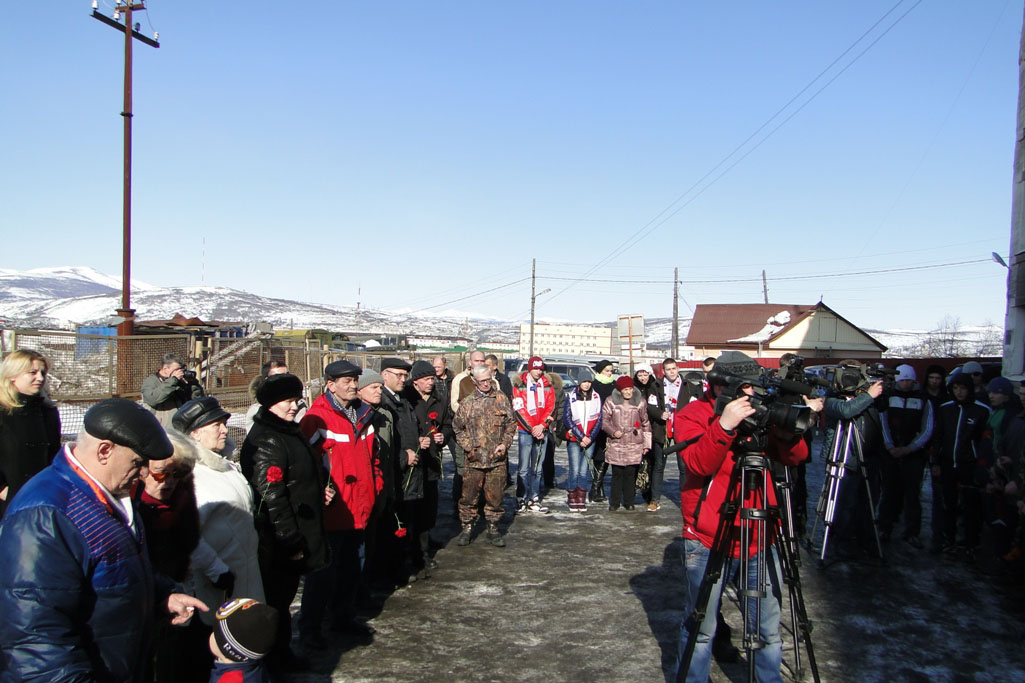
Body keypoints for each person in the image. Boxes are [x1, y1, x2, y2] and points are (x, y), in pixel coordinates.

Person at [0, 398, 207, 681]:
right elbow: (36, 637)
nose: (144, 473)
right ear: (105, 450)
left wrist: (160, 594)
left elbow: (113, 564)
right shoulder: (46, 513)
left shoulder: (109, 495)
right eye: (138, 462)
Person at [672, 353, 809, 682]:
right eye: (744, 387)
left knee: (766, 629)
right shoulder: (694, 413)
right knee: (701, 628)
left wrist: (788, 431)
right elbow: (698, 465)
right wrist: (723, 427)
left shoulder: (760, 409)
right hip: (708, 536)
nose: (751, 394)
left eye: (754, 386)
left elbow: (796, 458)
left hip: (760, 533)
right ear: (721, 386)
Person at [240, 373, 330, 673]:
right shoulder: (267, 439)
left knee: (284, 596)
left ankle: (281, 654)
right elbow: (272, 496)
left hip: (299, 526)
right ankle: (275, 660)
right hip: (281, 538)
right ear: (271, 404)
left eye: (296, 400)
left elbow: (298, 475)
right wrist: (289, 540)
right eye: (288, 402)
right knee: (277, 600)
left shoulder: (286, 431)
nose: (294, 407)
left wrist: (319, 490)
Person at [298, 360, 380, 646]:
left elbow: (374, 459)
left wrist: (375, 485)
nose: (353, 385)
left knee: (352, 569)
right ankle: (310, 629)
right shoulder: (316, 418)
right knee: (323, 574)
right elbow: (301, 463)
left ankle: (343, 617)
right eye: (346, 381)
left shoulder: (364, 414)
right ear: (330, 385)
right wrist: (319, 488)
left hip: (360, 507)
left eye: (355, 379)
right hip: (334, 511)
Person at [173, 397, 265, 627]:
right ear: (195, 433)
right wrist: (217, 571)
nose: (225, 430)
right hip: (219, 584)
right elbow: (188, 537)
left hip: (244, 571)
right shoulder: (194, 476)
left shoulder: (225, 465)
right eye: (216, 425)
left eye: (224, 423)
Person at [134, 430, 211, 682]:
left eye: (177, 474)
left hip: (177, 591)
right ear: (143, 470)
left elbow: (190, 543)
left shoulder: (181, 499)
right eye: (160, 474)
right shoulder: (130, 506)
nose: (168, 482)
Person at [820, 374, 885, 561]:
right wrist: (869, 396)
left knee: (866, 503)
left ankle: (862, 540)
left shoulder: (868, 399)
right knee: (843, 504)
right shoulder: (831, 399)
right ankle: (838, 542)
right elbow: (846, 411)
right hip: (843, 459)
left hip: (867, 458)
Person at [453, 364, 517, 546]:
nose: (486, 384)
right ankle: (466, 528)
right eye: (481, 381)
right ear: (474, 381)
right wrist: (468, 447)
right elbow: (457, 428)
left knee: (495, 497)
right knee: (468, 498)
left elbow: (511, 424)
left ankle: (493, 528)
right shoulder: (467, 403)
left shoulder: (501, 398)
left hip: (497, 460)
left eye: (488, 380)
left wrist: (504, 444)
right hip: (474, 460)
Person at [930, 373, 991, 557]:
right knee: (948, 504)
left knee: (971, 506)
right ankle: (948, 539)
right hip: (947, 464)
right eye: (955, 388)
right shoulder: (945, 409)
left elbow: (984, 442)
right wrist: (935, 461)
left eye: (963, 388)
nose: (959, 392)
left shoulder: (981, 410)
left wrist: (981, 466)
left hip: (969, 465)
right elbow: (937, 437)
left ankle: (970, 542)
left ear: (969, 389)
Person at [400, 360, 452, 576]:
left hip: (432, 461)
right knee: (412, 511)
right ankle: (413, 553)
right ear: (416, 381)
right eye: (427, 379)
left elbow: (448, 423)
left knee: (429, 509)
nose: (431, 382)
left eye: (432, 378)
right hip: (413, 464)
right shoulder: (407, 401)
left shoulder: (439, 400)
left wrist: (443, 436)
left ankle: (423, 549)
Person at [878, 364, 934, 548]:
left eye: (908, 380)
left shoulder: (923, 400)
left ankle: (912, 532)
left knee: (913, 494)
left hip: (913, 453)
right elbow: (883, 422)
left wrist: (911, 448)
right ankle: (884, 527)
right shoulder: (888, 398)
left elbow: (927, 428)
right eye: (902, 380)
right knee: (889, 491)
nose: (905, 383)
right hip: (891, 451)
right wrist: (890, 445)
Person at [0, 349, 60, 519]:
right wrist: (3, 489)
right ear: (13, 375)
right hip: (8, 501)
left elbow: (54, 454)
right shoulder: (3, 412)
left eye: (43, 372)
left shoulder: (48, 412)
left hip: (42, 499)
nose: (40, 378)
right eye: (32, 372)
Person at [378, 358, 421, 583]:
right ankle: (390, 572)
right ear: (385, 374)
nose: (404, 380)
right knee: (393, 524)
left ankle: (400, 565)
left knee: (405, 520)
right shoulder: (382, 401)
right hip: (396, 472)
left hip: (409, 472)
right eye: (399, 375)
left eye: (406, 375)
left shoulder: (401, 400)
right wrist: (405, 456)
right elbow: (384, 445)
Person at [511, 356, 557, 513]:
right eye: (535, 368)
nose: (538, 372)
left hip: (541, 430)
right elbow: (519, 409)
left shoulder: (547, 385)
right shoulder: (519, 384)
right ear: (529, 369)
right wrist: (532, 428)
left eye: (540, 369)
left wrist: (542, 426)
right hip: (525, 430)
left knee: (537, 467)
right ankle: (521, 497)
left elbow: (551, 407)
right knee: (523, 467)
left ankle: (534, 497)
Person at [602, 376, 651, 511]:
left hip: (634, 442)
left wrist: (647, 444)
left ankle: (629, 501)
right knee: (617, 473)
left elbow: (645, 423)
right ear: (619, 391)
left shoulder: (640, 402)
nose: (628, 392)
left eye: (630, 389)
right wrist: (613, 431)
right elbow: (604, 421)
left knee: (631, 473)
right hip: (616, 442)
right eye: (625, 389)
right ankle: (614, 502)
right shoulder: (610, 401)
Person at [208, 598, 278, 683]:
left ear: (227, 649)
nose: (211, 634)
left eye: (216, 633)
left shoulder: (229, 680)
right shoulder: (254, 667)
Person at [562, 368, 602, 512]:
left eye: (588, 382)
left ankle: (581, 497)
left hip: (590, 439)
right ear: (579, 382)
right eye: (584, 382)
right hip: (575, 438)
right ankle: (572, 496)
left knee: (584, 470)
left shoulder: (596, 397)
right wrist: (580, 436)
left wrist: (590, 437)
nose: (586, 385)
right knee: (574, 469)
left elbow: (599, 419)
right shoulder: (571, 396)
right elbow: (567, 418)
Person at [634, 363, 667, 511]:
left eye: (645, 374)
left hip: (655, 429)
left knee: (655, 463)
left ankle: (653, 496)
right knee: (639, 462)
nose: (642, 378)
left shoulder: (655, 386)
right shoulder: (633, 389)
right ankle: (639, 489)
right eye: (640, 375)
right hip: (638, 429)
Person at [141, 352, 205, 428]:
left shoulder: (180, 381)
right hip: (161, 429)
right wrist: (172, 380)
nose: (180, 372)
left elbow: (196, 400)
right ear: (165, 369)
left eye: (181, 369)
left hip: (180, 427)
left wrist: (193, 384)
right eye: (177, 369)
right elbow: (153, 399)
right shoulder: (151, 381)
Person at [589, 359, 617, 502]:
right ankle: (596, 488)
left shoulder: (615, 386)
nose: (609, 373)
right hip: (597, 425)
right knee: (599, 457)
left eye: (611, 370)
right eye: (607, 370)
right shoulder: (594, 386)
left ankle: (598, 486)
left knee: (608, 457)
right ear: (600, 371)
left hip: (612, 425)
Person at [245, 360, 290, 434]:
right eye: (279, 377)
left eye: (287, 375)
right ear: (267, 380)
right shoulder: (258, 409)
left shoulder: (298, 403)